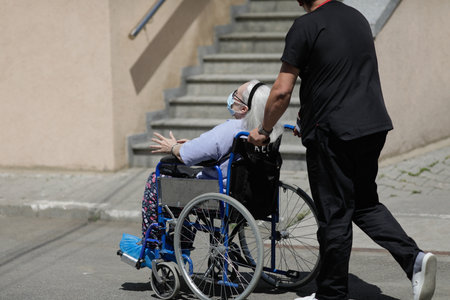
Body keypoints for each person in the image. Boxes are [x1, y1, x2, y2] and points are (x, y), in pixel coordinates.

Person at [248, 1, 437, 300]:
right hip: (372, 126)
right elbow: (338, 76)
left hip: (334, 134)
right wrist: (307, 117)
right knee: (364, 204)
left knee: (334, 215)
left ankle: (331, 295)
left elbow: (282, 91)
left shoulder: (305, 26)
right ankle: (414, 260)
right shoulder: (357, 18)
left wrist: (265, 130)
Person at [141, 80, 283, 236]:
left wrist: (173, 148)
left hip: (220, 195)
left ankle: (157, 241)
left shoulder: (232, 129)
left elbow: (188, 155)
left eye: (235, 94)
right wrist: (192, 146)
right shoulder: (267, 131)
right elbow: (210, 151)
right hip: (255, 195)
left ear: (244, 108)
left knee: (158, 178)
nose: (232, 97)